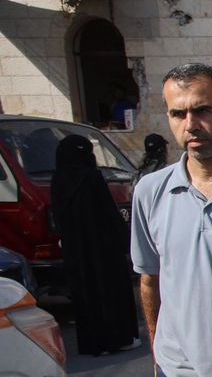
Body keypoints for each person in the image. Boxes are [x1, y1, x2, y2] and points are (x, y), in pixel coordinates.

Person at [130, 63, 212, 376]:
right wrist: (157, 356)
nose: (190, 125)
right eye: (178, 114)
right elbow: (149, 280)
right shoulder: (150, 191)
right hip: (177, 368)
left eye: (203, 110)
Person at [51, 134, 141, 356]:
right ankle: (118, 339)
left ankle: (94, 344)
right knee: (111, 293)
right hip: (103, 249)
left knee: (85, 296)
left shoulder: (58, 180)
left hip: (75, 251)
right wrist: (126, 240)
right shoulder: (91, 177)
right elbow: (109, 213)